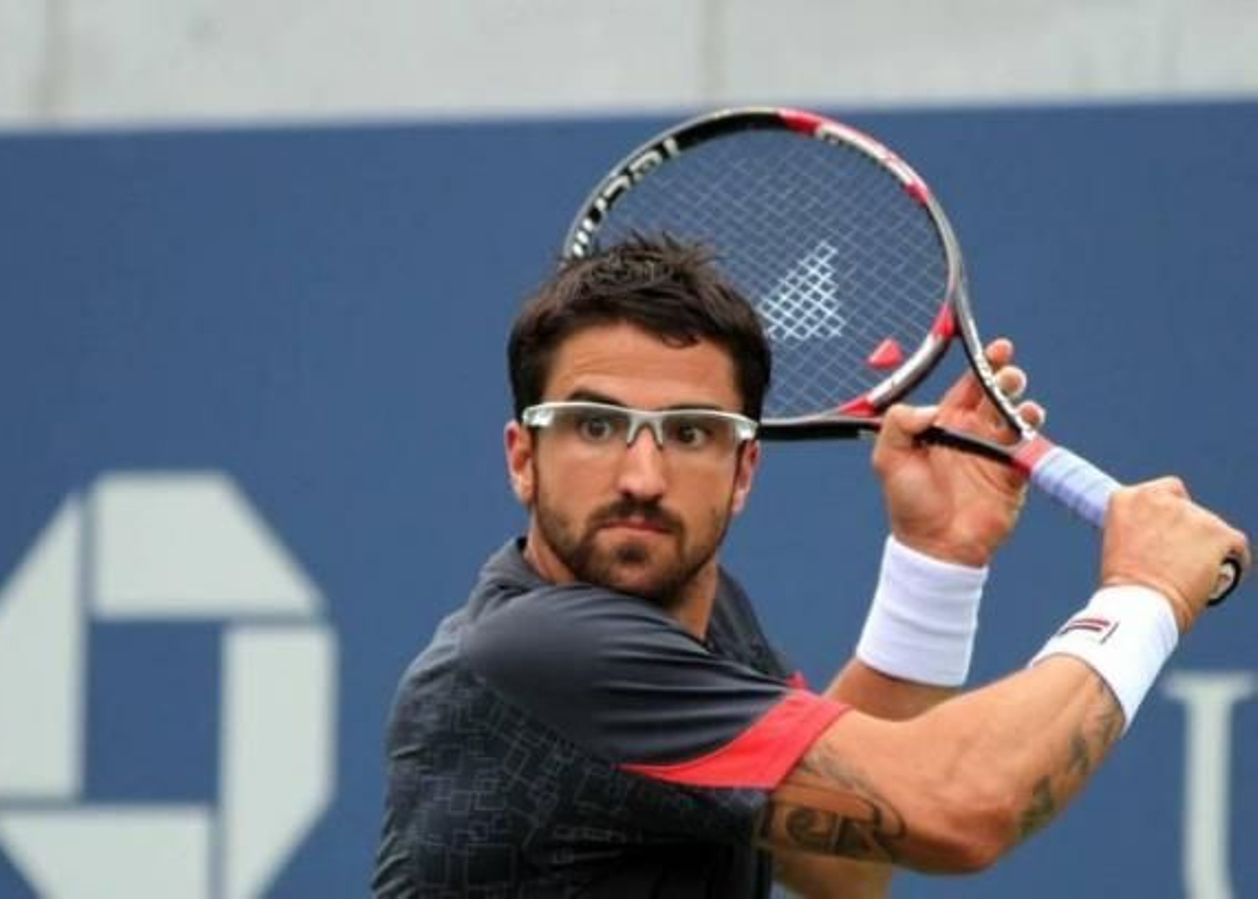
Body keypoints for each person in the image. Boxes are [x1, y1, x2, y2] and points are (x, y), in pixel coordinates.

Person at [372, 234, 1248, 897]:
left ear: (744, 469)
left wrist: (935, 565)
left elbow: (836, 867)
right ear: (522, 458)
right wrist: (1145, 591)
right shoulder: (540, 651)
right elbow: (961, 805)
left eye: (691, 432)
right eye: (595, 426)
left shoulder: (703, 616)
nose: (641, 476)